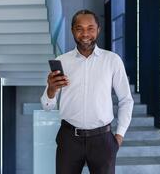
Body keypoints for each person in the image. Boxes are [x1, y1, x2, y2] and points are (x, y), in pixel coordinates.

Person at [40, 9, 134, 174]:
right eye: (79, 28)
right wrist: (51, 90)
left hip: (102, 139)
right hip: (69, 138)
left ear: (98, 29)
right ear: (72, 31)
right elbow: (47, 107)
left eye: (90, 28)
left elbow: (126, 99)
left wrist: (119, 136)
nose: (85, 33)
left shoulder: (112, 60)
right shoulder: (61, 61)